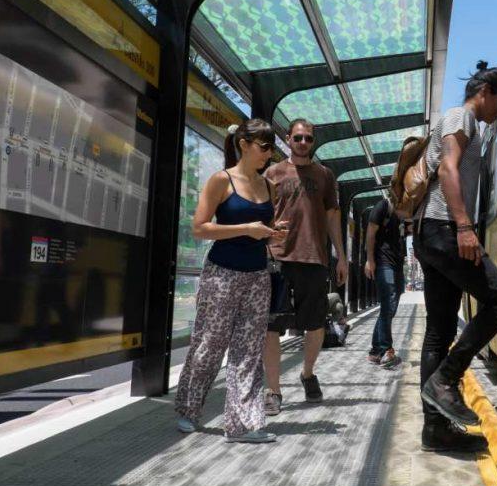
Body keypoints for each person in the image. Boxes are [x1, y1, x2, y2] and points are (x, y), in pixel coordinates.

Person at [415, 61, 497, 452]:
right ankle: (445, 379)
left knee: (439, 332)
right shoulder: (461, 116)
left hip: (431, 233)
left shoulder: (464, 121)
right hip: (444, 230)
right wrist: (464, 226)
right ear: (486, 92)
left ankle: (435, 430)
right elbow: (447, 169)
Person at [174, 119, 287, 443]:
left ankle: (242, 424)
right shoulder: (220, 181)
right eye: (263, 147)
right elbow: (199, 228)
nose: (268, 154)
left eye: (270, 148)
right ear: (244, 144)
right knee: (209, 345)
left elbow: (260, 228)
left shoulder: (269, 186)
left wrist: (272, 230)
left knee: (248, 351)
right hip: (221, 274)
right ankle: (188, 409)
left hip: (257, 277)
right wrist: (246, 229)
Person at [262, 118, 348, 414]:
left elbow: (333, 216)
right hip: (277, 258)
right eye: (297, 138)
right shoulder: (272, 173)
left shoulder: (325, 175)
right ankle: (273, 391)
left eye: (308, 139)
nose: (302, 143)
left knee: (315, 325)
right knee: (271, 327)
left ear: (313, 142)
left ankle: (307, 373)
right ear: (288, 138)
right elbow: (262, 215)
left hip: (314, 258)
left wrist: (342, 256)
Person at [365, 198, 406, 369]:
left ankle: (375, 352)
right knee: (388, 305)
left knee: (390, 308)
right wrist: (370, 260)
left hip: (397, 266)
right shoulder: (384, 205)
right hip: (383, 263)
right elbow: (370, 233)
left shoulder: (406, 211)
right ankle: (387, 350)